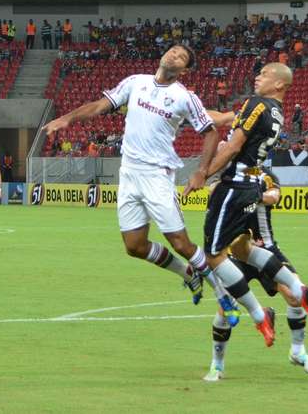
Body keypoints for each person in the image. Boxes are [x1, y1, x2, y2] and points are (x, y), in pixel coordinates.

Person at [42, 44, 238, 316]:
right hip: (129, 173)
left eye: (181, 57)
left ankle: (223, 294)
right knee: (134, 246)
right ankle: (188, 274)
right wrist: (67, 118)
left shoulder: (184, 97)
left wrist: (201, 171)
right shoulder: (136, 82)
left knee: (180, 243)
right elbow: (100, 105)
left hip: (157, 175)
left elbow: (211, 131)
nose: (174, 55)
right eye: (173, 51)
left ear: (184, 70)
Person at [201, 63, 308, 347]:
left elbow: (232, 146)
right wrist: (187, 108)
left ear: (279, 84)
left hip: (236, 183)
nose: (257, 76)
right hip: (250, 187)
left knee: (213, 254)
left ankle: (259, 314)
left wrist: (203, 174)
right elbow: (222, 119)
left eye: (264, 74)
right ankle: (298, 289)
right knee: (242, 248)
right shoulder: (274, 111)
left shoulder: (256, 104)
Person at [203, 168, 308, 381]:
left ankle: (298, 351)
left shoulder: (266, 176)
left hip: (266, 249)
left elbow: (273, 196)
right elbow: (212, 189)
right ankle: (217, 365)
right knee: (226, 308)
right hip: (232, 253)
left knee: (295, 296)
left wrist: (247, 195)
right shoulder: (230, 174)